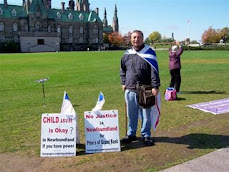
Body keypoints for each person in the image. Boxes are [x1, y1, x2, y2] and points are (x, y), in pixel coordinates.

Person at [120, 30, 160, 146]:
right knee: (131, 113)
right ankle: (131, 134)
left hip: (145, 90)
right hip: (130, 89)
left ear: (142, 39)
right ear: (131, 39)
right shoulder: (127, 54)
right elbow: (122, 70)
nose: (136, 40)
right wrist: (123, 82)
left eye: (138, 37)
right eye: (134, 37)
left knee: (146, 114)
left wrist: (155, 86)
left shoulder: (150, 53)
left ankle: (146, 135)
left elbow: (154, 71)